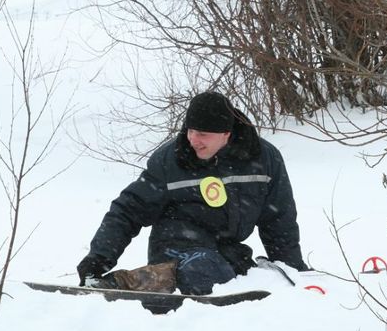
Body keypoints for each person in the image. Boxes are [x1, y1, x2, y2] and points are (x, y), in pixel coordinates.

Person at [77, 91, 308, 295]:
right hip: (175, 247)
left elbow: (279, 219)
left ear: (226, 133)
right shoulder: (171, 161)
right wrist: (98, 258)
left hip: (227, 253)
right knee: (205, 271)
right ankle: (119, 285)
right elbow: (129, 209)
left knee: (240, 273)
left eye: (203, 134)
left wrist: (292, 269)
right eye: (191, 131)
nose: (193, 140)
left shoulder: (264, 159)